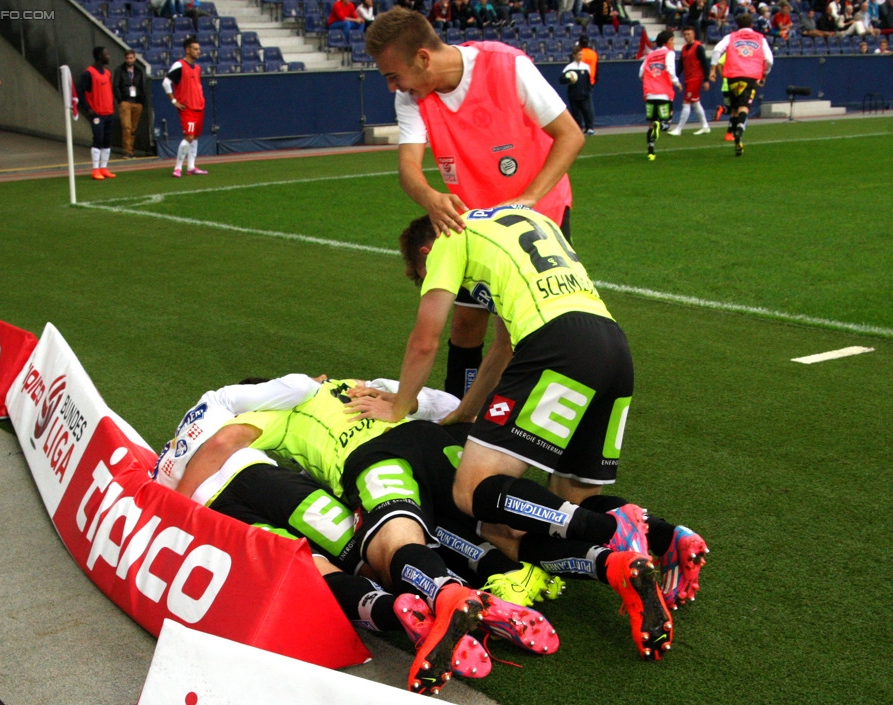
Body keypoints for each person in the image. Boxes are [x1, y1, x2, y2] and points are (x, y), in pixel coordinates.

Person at [346, 206, 696, 660]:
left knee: (472, 491)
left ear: (426, 252)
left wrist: (398, 407)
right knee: (571, 497)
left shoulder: (449, 235)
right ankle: (670, 540)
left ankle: (611, 527)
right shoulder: (522, 220)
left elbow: (425, 338)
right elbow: (504, 347)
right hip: (612, 345)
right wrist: (466, 412)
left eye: (422, 274)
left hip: (557, 345)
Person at [174, 375, 560, 695]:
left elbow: (221, 444)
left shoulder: (190, 438)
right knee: (368, 552)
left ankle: (396, 611)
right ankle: (459, 594)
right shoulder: (285, 401)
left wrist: (178, 510)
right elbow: (445, 405)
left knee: (311, 567)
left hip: (223, 510)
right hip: (273, 480)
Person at [364, 7, 584, 400]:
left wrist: (527, 202)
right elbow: (408, 169)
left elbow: (570, 135)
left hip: (538, 216)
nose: (392, 87)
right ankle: (457, 413)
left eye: (393, 76)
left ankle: (512, 417)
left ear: (423, 58)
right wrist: (431, 197)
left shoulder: (508, 66)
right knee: (466, 321)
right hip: (473, 222)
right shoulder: (413, 97)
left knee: (519, 331)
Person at [709, 13, 773, 157]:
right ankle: (739, 129)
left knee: (735, 108)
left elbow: (717, 50)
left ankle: (738, 139)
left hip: (732, 76)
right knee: (744, 107)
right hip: (749, 76)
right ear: (751, 25)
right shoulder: (760, 38)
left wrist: (712, 70)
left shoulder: (730, 37)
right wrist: (764, 74)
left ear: (737, 25)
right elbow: (769, 59)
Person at [163, 36, 208, 177]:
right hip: (187, 108)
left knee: (194, 137)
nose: (198, 51)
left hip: (199, 106)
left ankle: (191, 167)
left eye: (199, 49)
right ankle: (177, 168)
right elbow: (165, 82)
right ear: (187, 50)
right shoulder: (179, 65)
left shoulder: (198, 68)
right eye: (195, 49)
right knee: (189, 136)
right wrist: (173, 101)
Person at [639, 30, 681, 161]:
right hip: (663, 93)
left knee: (651, 123)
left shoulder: (650, 55)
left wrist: (650, 80)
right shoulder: (669, 53)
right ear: (667, 42)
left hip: (650, 93)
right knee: (667, 121)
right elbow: (669, 68)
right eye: (672, 40)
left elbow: (641, 73)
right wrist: (676, 82)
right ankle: (660, 125)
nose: (674, 43)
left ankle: (651, 152)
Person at [77, 47, 117, 181]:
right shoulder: (88, 73)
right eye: (106, 54)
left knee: (107, 140)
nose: (109, 56)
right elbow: (80, 92)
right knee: (98, 139)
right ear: (100, 56)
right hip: (97, 113)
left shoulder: (107, 73)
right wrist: (87, 109)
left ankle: (104, 168)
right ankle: (95, 169)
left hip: (108, 112)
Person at [669, 27, 710, 136]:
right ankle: (705, 126)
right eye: (685, 34)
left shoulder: (698, 47)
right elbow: (681, 65)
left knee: (686, 102)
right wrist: (675, 78)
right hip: (688, 78)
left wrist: (706, 80)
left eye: (689, 34)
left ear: (694, 34)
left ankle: (679, 129)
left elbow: (705, 64)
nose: (687, 36)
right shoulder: (684, 48)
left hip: (696, 78)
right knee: (696, 103)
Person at [113, 49, 147, 159]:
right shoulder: (119, 70)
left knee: (133, 128)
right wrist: (120, 99)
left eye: (131, 58)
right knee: (126, 127)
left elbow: (142, 86)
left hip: (137, 102)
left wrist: (142, 101)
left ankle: (131, 150)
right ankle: (127, 151)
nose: (129, 60)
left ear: (135, 58)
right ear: (125, 58)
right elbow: (115, 86)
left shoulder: (139, 71)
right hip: (125, 101)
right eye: (127, 58)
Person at [559, 46, 595, 135]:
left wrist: (588, 90)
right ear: (574, 55)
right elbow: (561, 79)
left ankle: (589, 128)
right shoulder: (569, 68)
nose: (581, 56)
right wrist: (568, 79)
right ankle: (578, 129)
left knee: (586, 111)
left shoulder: (586, 67)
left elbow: (588, 81)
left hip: (584, 94)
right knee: (576, 113)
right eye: (579, 54)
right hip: (573, 94)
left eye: (581, 54)